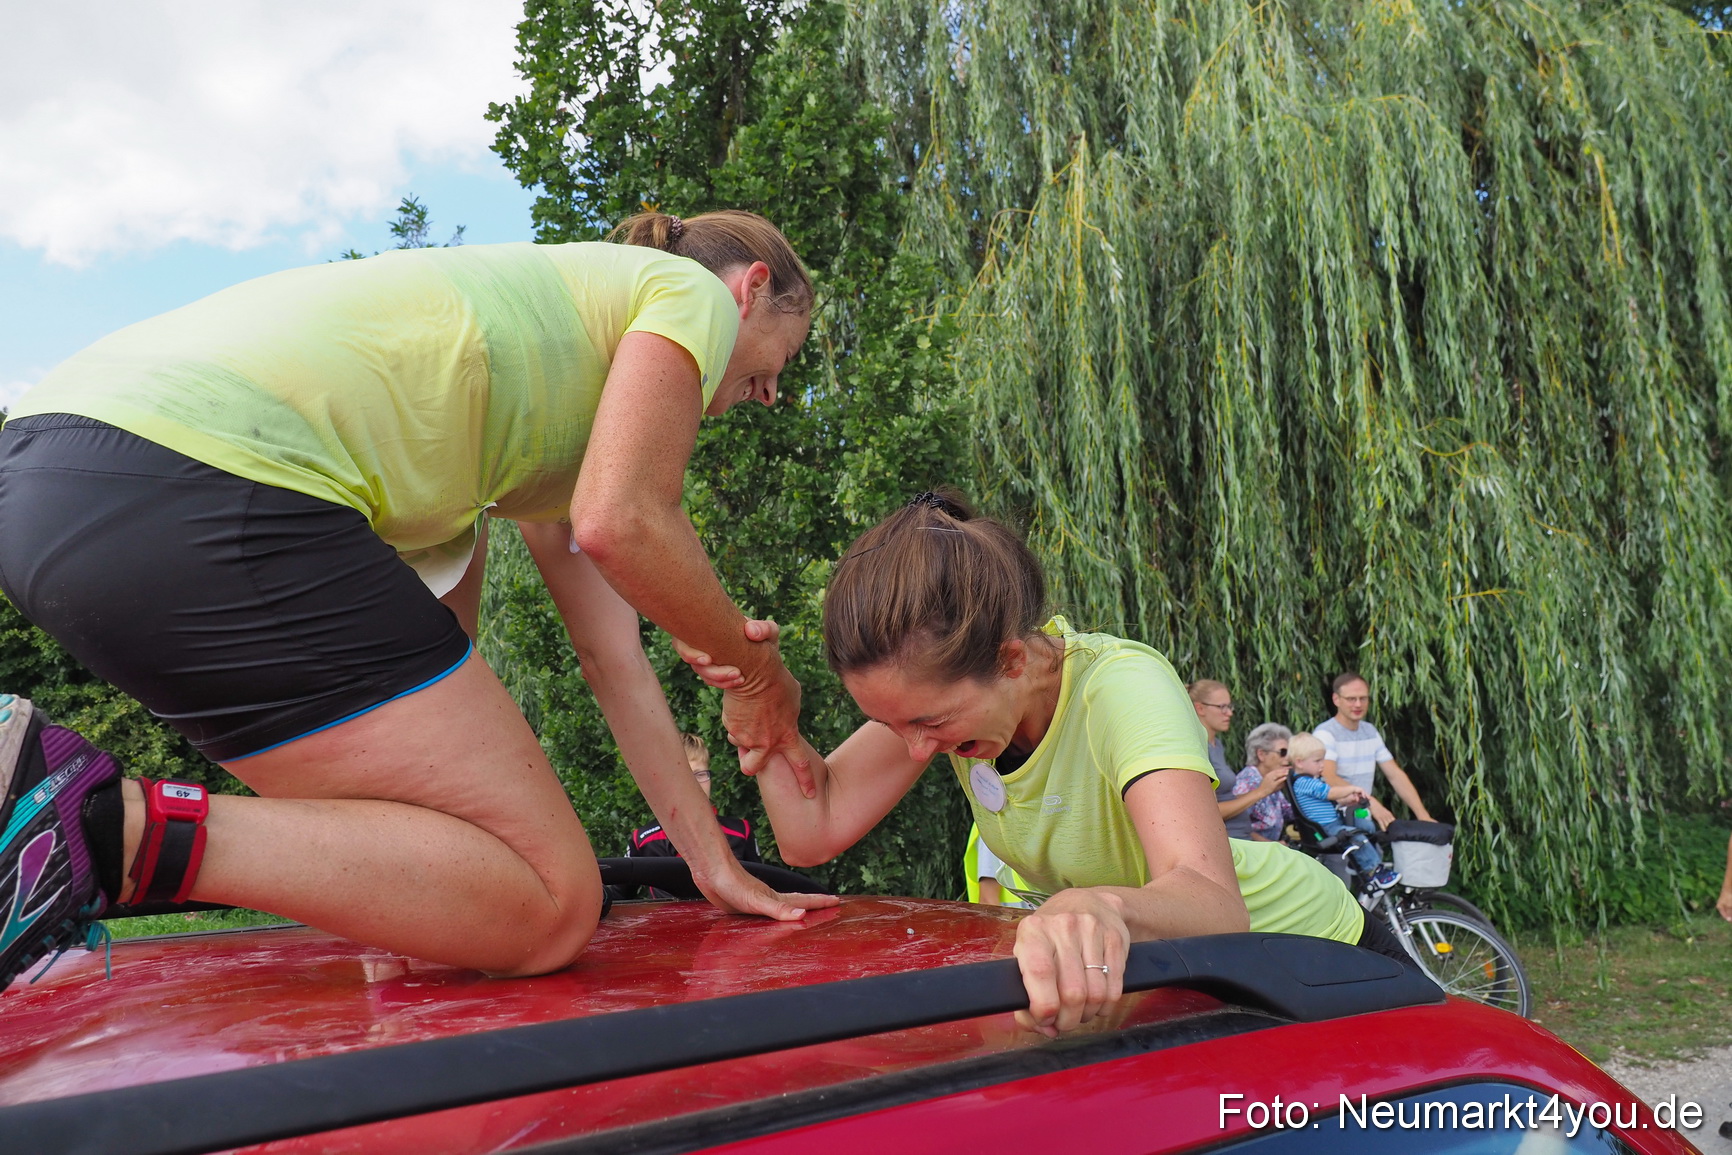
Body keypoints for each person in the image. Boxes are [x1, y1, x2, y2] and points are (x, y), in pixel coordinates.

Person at [0, 210, 841, 992]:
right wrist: (758, 675)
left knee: (498, 888)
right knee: (552, 906)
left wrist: (709, 862)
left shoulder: (491, 443)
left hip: (47, 483)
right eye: (782, 359)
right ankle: (107, 829)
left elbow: (610, 658)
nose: (770, 395)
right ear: (751, 288)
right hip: (198, 474)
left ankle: (46, 825)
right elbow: (625, 521)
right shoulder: (685, 292)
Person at [678, 490, 1412, 1038]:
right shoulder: (954, 708)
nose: (913, 750)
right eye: (895, 724)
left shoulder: (1120, 689)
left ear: (1013, 657)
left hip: (1314, 954)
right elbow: (811, 830)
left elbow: (1214, 902)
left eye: (928, 723)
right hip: (1195, 975)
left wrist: (1094, 904)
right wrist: (757, 702)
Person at [1315, 672, 1435, 829]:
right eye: (1351, 699)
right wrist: (1369, 802)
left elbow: (1395, 775)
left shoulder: (1370, 732)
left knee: (1379, 836)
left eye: (1363, 698)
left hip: (1360, 812)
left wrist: (1423, 816)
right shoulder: (1325, 734)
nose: (1358, 704)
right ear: (1336, 700)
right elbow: (1329, 777)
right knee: (1369, 840)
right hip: (1334, 817)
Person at [1287, 733, 1397, 888]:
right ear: (1299, 762)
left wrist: (1348, 800)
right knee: (1356, 836)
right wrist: (1351, 788)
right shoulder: (1303, 783)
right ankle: (1374, 871)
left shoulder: (1313, 781)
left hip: (1334, 822)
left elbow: (1331, 799)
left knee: (1365, 826)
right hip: (1325, 829)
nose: (1322, 765)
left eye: (1322, 760)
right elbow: (1331, 793)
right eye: (1317, 761)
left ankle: (1362, 859)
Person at [1189, 680, 1253, 840]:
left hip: (1242, 834)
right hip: (1227, 839)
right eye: (1222, 707)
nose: (1229, 713)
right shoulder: (1198, 747)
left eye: (1230, 706)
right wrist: (1262, 792)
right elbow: (1209, 812)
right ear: (1200, 708)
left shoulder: (1217, 745)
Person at [1228, 723, 1295, 842]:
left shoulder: (1271, 780)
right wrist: (1271, 846)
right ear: (1262, 755)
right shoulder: (1247, 782)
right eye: (1283, 752)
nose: (1288, 759)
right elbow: (1235, 825)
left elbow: (1288, 812)